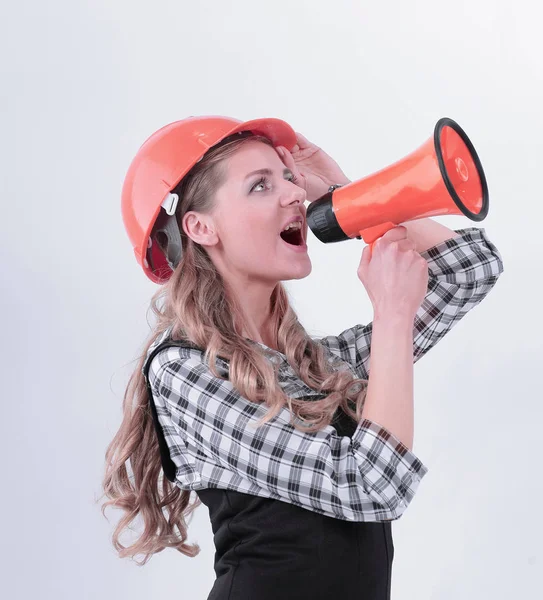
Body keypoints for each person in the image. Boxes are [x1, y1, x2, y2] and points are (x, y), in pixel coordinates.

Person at [101, 116, 504, 599]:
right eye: (260, 186)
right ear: (200, 226)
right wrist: (392, 315)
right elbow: (374, 486)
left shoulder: (317, 367)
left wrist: (352, 195)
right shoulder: (182, 372)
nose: (294, 194)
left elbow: (471, 271)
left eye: (289, 177)